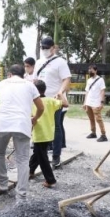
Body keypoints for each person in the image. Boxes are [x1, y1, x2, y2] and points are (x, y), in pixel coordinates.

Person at [0, 64, 44, 202]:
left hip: (3, 123)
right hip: (22, 124)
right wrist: (35, 119)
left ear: (9, 74)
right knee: (23, 159)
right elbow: (41, 107)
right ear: (23, 75)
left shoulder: (2, 83)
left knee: (0, 153)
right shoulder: (29, 85)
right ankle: (21, 195)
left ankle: (2, 184)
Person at [33, 36, 71, 167]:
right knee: (40, 125)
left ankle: (56, 156)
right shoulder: (39, 62)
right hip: (40, 99)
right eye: (42, 48)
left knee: (56, 127)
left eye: (46, 48)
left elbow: (66, 79)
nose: (44, 50)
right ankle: (40, 153)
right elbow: (35, 80)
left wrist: (61, 91)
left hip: (54, 100)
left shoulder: (60, 62)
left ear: (53, 48)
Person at [29, 80, 68, 187]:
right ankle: (30, 171)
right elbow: (66, 104)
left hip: (39, 134)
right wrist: (61, 95)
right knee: (37, 153)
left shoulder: (32, 103)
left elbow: (31, 119)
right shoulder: (51, 101)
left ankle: (50, 180)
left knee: (42, 157)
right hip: (49, 134)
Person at [83, 65, 108, 142]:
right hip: (88, 102)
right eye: (89, 69)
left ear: (96, 70)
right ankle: (93, 132)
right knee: (91, 119)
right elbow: (87, 91)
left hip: (96, 102)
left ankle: (103, 135)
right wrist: (85, 102)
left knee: (98, 119)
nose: (90, 71)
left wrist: (102, 102)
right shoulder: (89, 80)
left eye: (91, 70)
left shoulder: (100, 80)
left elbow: (102, 91)